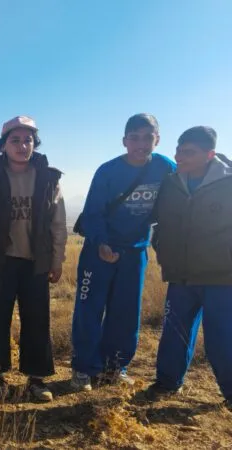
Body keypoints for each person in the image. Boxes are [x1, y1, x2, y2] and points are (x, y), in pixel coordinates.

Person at [70, 113, 175, 391]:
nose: (141, 144)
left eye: (147, 137)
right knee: (89, 309)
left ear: (157, 139)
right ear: (124, 141)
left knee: (127, 312)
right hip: (99, 251)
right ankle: (83, 368)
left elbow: (185, 189)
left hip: (136, 252)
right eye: (134, 138)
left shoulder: (165, 167)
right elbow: (93, 212)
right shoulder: (108, 171)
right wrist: (102, 243)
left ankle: (115, 367)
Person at [145, 126, 232, 411]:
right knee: (175, 331)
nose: (179, 156)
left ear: (210, 154)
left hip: (222, 278)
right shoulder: (171, 183)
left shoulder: (228, 183)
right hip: (180, 275)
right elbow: (156, 219)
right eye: (179, 150)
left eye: (188, 152)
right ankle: (168, 382)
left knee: (222, 337)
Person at [0, 116, 67, 402]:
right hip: (0, 260)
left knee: (37, 319)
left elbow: (58, 221)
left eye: (28, 140)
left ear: (35, 143)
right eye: (15, 140)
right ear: (3, 145)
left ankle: (36, 378)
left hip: (36, 262)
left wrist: (56, 260)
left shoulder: (48, 177)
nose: (22, 145)